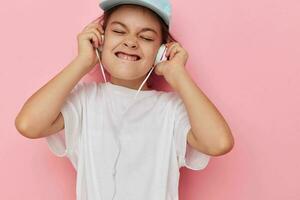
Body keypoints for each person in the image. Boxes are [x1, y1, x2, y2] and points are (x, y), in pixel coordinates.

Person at [15, 0, 234, 199]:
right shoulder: (84, 100)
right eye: (119, 31)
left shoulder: (171, 110)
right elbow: (28, 124)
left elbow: (219, 143)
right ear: (100, 40)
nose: (131, 42)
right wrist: (82, 62)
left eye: (146, 37)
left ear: (161, 51)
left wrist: (179, 75)